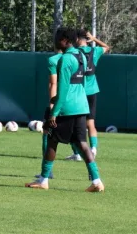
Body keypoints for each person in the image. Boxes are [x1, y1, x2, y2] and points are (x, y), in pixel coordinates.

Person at [26, 27, 104, 192]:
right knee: (82, 143)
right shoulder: (81, 56)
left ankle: (44, 180)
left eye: (57, 38)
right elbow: (82, 83)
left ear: (65, 40)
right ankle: (97, 181)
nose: (55, 41)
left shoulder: (65, 59)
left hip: (67, 107)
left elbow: (62, 89)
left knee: (51, 140)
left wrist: (54, 113)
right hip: (81, 105)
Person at [76, 28, 110, 157]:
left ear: (77, 39)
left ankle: (78, 153)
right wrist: (94, 39)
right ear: (87, 39)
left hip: (79, 91)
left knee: (76, 124)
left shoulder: (75, 53)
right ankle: (93, 149)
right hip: (92, 91)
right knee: (90, 123)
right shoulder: (94, 51)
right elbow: (107, 47)